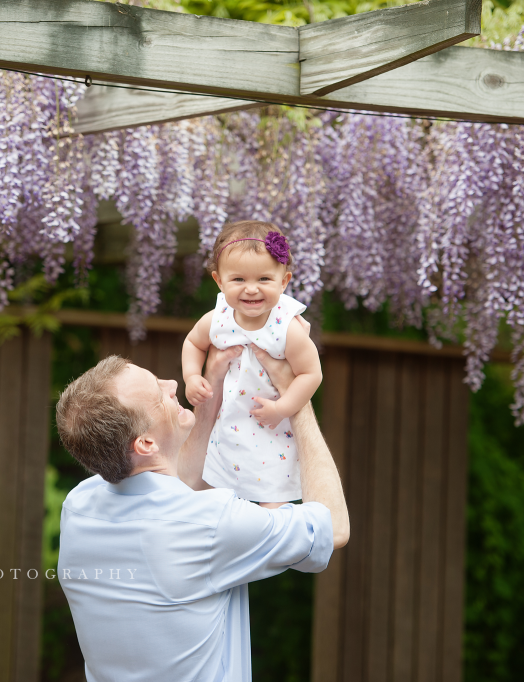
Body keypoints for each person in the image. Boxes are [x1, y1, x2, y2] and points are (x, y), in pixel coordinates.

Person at [54, 343, 349, 682]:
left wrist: (213, 383)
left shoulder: (79, 507)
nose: (172, 384)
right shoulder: (212, 522)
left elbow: (179, 486)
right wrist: (296, 400)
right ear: (145, 444)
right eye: (159, 393)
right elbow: (333, 526)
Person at [181, 221, 322, 508]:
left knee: (272, 511)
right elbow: (193, 343)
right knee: (210, 500)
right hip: (229, 429)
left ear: (284, 281)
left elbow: (311, 374)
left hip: (273, 433)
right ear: (219, 281)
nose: (252, 290)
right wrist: (192, 376)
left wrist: (282, 408)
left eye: (264, 280)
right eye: (238, 280)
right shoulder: (219, 318)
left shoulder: (286, 327)